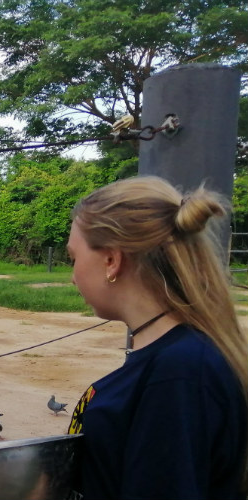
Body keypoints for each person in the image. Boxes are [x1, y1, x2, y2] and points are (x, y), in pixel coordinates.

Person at [65, 175, 248, 500]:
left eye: (73, 258)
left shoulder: (179, 374)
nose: (73, 275)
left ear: (111, 259)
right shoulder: (179, 358)